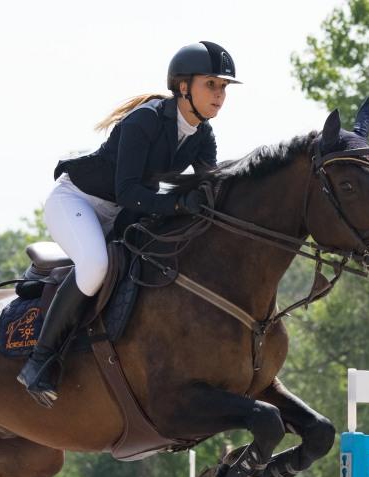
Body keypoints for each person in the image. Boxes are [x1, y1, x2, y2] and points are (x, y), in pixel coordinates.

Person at [17, 41, 242, 407]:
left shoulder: (203, 136)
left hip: (124, 214)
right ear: (183, 86)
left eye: (224, 88)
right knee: (95, 268)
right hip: (77, 201)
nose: (219, 95)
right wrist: (179, 202)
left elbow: (210, 186)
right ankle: (39, 361)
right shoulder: (146, 120)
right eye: (211, 85)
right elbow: (129, 192)